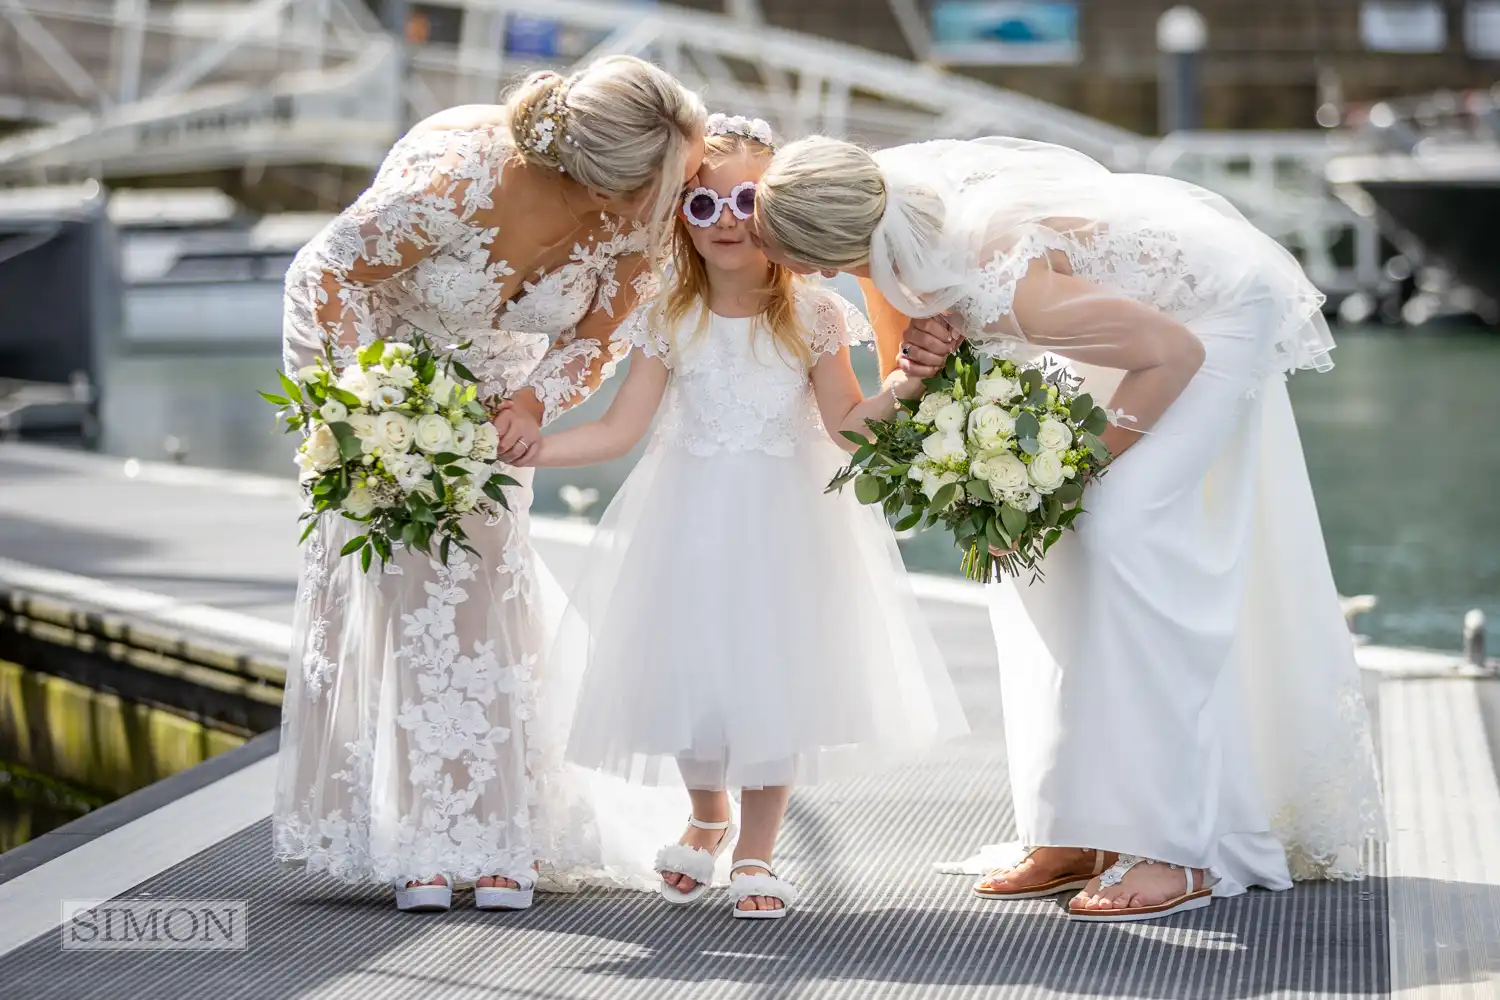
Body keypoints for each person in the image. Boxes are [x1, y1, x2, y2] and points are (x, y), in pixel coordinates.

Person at [750, 134, 1385, 922]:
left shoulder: (996, 280)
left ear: (841, 244)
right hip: (1113, 321)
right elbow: (912, 363)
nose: (805, 275)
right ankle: (1075, 828)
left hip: (1208, 317)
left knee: (1121, 532)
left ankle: (1178, 849)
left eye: (806, 259)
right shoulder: (891, 230)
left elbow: (1170, 352)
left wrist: (1077, 476)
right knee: (1029, 554)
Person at [273, 55, 708, 912]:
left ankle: (500, 833)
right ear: (605, 180)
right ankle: (416, 840)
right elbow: (324, 277)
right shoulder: (458, 181)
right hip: (392, 394)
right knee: (397, 598)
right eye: (675, 177)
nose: (688, 192)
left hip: (497, 417)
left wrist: (537, 399)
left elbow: (599, 335)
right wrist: (360, 416)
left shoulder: (636, 227)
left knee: (487, 611)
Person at [508, 114, 968, 920]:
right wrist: (528, 448)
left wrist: (911, 381)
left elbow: (850, 428)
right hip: (686, 520)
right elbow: (621, 429)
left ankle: (757, 850)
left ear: (781, 211)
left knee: (770, 674)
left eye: (747, 201)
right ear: (679, 218)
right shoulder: (668, 316)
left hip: (785, 523)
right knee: (689, 669)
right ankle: (706, 812)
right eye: (703, 205)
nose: (725, 221)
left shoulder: (816, 315)